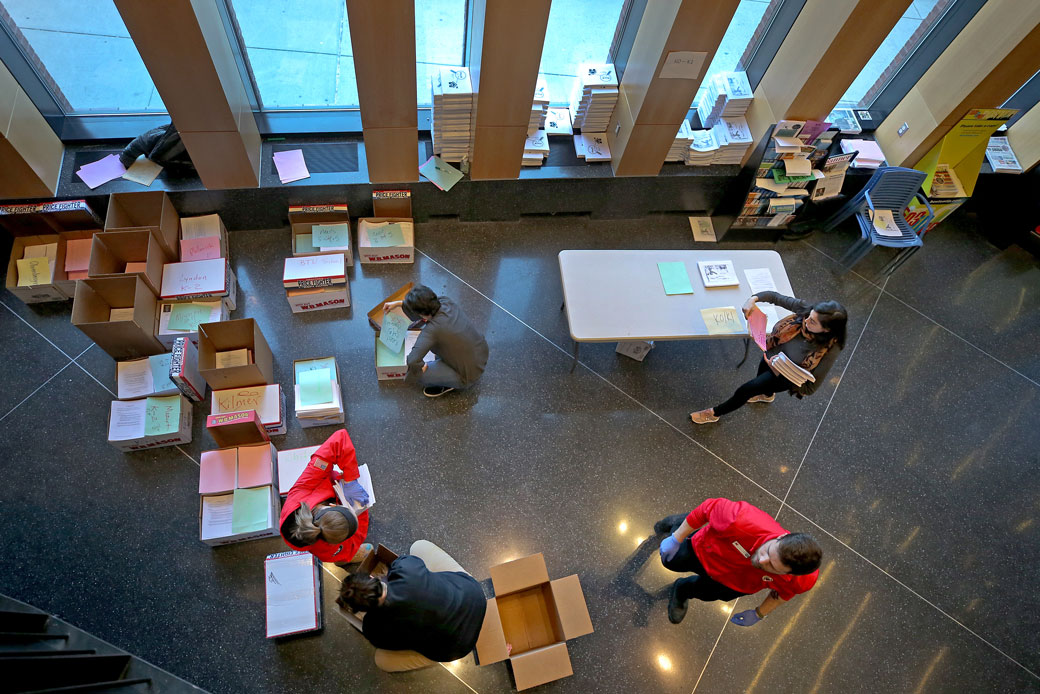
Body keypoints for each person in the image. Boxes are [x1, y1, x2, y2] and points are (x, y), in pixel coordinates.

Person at [656, 498, 821, 626]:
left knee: (704, 593)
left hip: (736, 584)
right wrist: (676, 538)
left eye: (772, 566)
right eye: (769, 551)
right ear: (781, 537)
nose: (762, 560)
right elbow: (707, 509)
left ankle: (682, 589)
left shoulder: (802, 580)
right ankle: (678, 523)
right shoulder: (740, 519)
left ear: (789, 574)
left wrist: (759, 614)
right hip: (706, 552)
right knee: (672, 561)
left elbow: (783, 594)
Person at [690, 291, 847, 424]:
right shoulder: (807, 310)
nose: (805, 321)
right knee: (761, 379)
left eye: (812, 322)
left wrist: (777, 368)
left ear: (826, 330)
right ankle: (766, 395)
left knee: (745, 390)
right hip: (770, 354)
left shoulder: (830, 349)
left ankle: (714, 413)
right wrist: (753, 299)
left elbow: (810, 388)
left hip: (784, 375)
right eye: (809, 316)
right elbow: (775, 297)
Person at [337, 540, 487, 672]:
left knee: (381, 661)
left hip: (457, 647)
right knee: (418, 546)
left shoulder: (373, 628)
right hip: (474, 596)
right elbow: (408, 560)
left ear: (361, 611)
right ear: (372, 578)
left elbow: (389, 643)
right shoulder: (407, 570)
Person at [279, 429, 371, 565]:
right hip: (338, 550)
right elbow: (342, 549)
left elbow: (339, 439)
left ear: (333, 505)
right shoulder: (329, 548)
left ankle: (343, 558)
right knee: (344, 554)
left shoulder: (303, 489)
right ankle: (344, 560)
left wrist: (350, 480)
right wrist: (362, 514)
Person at [383, 284, 489, 398]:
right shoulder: (446, 301)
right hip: (481, 353)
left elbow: (413, 360)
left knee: (420, 374)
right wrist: (400, 304)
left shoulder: (432, 331)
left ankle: (452, 384)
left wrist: (421, 367)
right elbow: (425, 310)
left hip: (468, 375)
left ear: (422, 314)